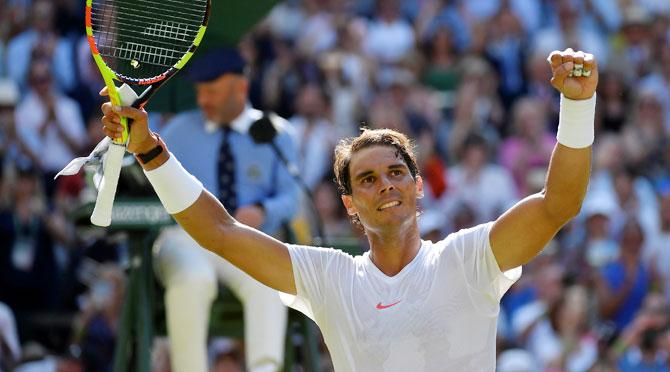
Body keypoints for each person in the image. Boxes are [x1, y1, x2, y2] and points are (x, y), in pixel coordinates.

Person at [100, 48, 597, 370]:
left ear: (418, 186)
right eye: (367, 179)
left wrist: (577, 109)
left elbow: (560, 203)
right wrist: (149, 151)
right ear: (350, 205)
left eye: (396, 172)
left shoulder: (468, 258)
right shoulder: (329, 277)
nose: (385, 184)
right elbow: (220, 232)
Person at [150, 47, 300, 372]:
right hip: (186, 235)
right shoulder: (176, 132)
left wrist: (263, 210)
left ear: (240, 88)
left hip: (245, 237)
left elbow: (292, 197)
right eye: (200, 91)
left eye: (213, 91)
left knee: (267, 279)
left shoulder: (276, 132)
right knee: (192, 278)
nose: (204, 100)